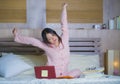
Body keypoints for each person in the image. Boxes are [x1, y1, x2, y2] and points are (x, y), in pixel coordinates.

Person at [13, 3, 81, 78]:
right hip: (52, 74)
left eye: (53, 35)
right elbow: (32, 41)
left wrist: (64, 8)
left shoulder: (64, 39)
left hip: (65, 74)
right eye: (49, 39)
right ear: (47, 41)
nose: (53, 39)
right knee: (42, 75)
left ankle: (65, 78)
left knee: (77, 71)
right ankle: (56, 79)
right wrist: (17, 36)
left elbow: (64, 24)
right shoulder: (46, 46)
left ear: (55, 34)